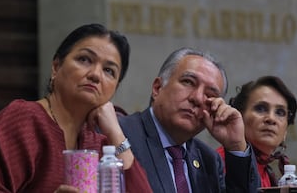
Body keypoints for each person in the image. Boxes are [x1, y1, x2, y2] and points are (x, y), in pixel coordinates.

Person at [0, 23, 152, 193]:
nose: (95, 75)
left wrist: (116, 133)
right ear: (56, 67)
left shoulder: (99, 143)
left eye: (109, 71)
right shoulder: (23, 121)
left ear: (115, 88)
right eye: (85, 59)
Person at [90, 47, 260, 192]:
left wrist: (236, 146)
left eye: (210, 94)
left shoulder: (208, 159)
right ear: (157, 88)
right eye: (188, 82)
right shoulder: (116, 134)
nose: (198, 98)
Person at [217, 75, 297, 187]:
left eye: (280, 112)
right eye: (260, 108)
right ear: (239, 117)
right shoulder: (218, 164)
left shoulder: (267, 173)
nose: (271, 119)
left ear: (285, 132)